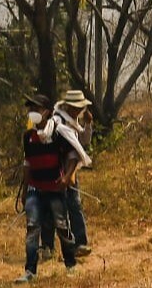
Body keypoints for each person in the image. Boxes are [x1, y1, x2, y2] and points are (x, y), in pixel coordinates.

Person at [16, 94, 91, 283]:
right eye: (31, 109)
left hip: (55, 188)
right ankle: (30, 270)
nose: (32, 113)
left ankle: (70, 263)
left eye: (37, 109)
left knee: (62, 226)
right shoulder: (28, 137)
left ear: (47, 112)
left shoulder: (59, 133)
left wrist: (67, 177)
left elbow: (74, 155)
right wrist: (25, 191)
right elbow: (27, 164)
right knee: (32, 228)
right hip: (35, 188)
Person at [57, 89, 95, 256]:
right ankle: (59, 247)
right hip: (57, 170)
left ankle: (79, 243)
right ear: (68, 106)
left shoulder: (73, 122)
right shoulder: (58, 121)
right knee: (58, 209)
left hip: (70, 171)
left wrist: (88, 124)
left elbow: (83, 142)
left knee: (74, 205)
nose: (79, 110)